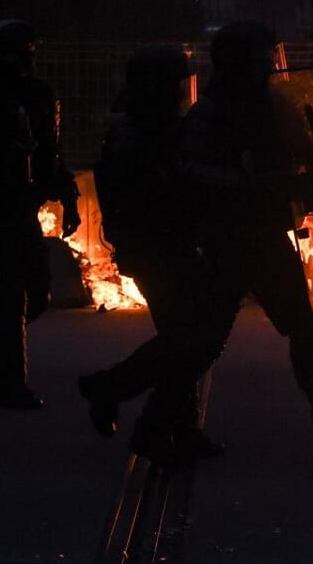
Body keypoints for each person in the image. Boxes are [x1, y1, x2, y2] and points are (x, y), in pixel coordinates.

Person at [176, 21, 313, 466]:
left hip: (264, 234)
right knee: (210, 339)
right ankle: (157, 418)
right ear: (244, 61)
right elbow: (192, 173)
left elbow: (304, 159)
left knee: (294, 333)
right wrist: (253, 185)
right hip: (229, 237)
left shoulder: (272, 106)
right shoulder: (211, 113)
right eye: (263, 56)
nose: (272, 64)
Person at [77, 47, 228, 466]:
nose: (183, 92)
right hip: (157, 249)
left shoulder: (151, 129)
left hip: (166, 246)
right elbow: (159, 191)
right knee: (188, 339)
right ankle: (116, 391)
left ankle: (179, 426)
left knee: (183, 339)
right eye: (177, 84)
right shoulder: (137, 137)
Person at [0, 20, 80, 408]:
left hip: (21, 208)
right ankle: (12, 387)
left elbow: (50, 150)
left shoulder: (35, 95)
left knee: (36, 296)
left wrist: (68, 196)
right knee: (11, 298)